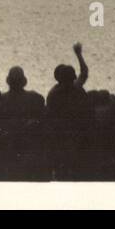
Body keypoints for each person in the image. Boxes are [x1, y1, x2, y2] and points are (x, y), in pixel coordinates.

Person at [45, 43, 91, 179]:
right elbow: (84, 73)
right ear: (72, 78)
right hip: (77, 136)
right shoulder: (77, 88)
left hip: (60, 138)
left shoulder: (53, 94)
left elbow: (50, 118)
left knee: (62, 172)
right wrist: (79, 54)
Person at [0, 66, 47, 180]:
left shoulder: (1, 100)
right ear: (24, 81)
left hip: (9, 152)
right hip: (30, 152)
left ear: (8, 81)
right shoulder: (36, 98)